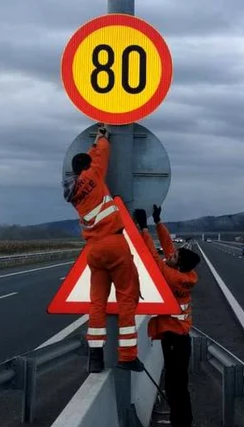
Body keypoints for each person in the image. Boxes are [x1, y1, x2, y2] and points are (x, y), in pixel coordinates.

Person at [62, 123, 143, 373]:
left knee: (97, 302)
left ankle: (95, 357)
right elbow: (102, 154)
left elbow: (89, 160)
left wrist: (92, 147)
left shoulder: (74, 192)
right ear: (86, 167)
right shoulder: (94, 175)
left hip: (94, 250)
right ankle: (127, 356)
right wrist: (102, 136)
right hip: (114, 243)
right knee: (126, 298)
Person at [134, 205, 200, 427]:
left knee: (175, 388)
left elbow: (153, 255)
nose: (169, 255)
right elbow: (169, 248)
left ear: (178, 265)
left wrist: (143, 227)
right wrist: (158, 221)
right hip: (181, 340)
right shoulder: (187, 274)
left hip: (174, 340)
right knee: (179, 386)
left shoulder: (170, 276)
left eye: (172, 258)